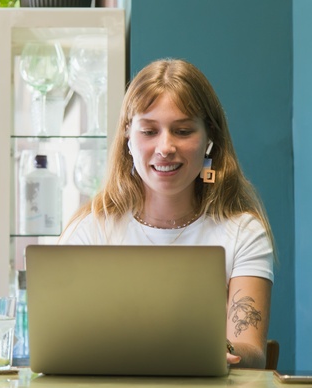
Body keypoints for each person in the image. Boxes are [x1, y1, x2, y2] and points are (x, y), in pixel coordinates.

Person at [59, 58, 274, 369]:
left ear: (209, 139)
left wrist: (216, 348)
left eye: (183, 130)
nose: (165, 147)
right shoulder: (90, 230)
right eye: (148, 131)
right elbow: (62, 341)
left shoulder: (243, 232)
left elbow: (252, 352)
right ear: (128, 140)